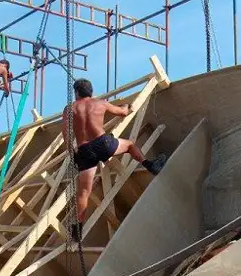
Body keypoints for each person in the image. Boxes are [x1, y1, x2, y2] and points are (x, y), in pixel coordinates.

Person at [62, 78, 167, 242]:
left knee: (83, 192)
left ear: (76, 93)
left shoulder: (69, 109)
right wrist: (126, 107)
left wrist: (73, 153)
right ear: (91, 91)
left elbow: (66, 137)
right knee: (130, 145)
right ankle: (150, 165)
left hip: (85, 151)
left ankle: (78, 230)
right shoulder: (100, 103)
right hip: (103, 143)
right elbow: (123, 112)